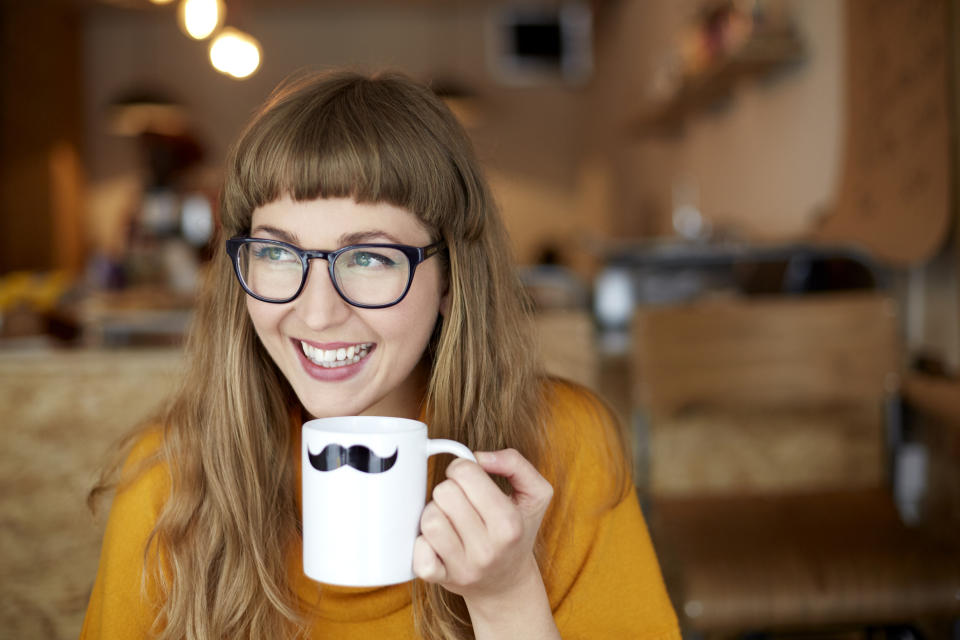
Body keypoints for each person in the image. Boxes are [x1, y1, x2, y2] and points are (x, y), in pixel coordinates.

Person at [81, 70, 680, 640]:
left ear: (451, 279)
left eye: (369, 258)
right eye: (280, 254)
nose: (316, 314)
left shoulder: (566, 446)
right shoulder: (169, 479)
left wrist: (506, 599)